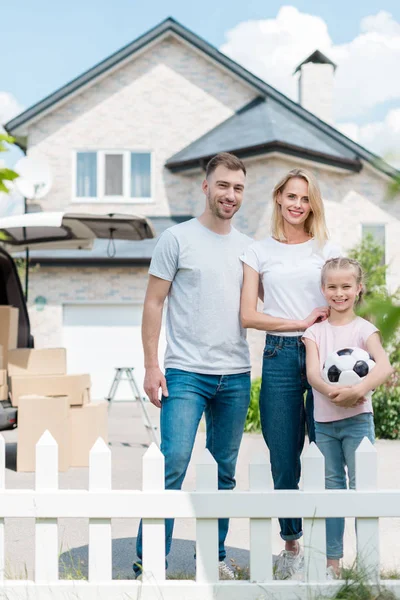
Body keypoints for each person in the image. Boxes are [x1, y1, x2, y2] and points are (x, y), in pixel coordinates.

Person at [133, 152, 252, 580]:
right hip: (185, 371)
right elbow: (153, 302)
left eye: (238, 188)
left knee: (224, 471)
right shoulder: (176, 239)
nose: (230, 195)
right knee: (175, 461)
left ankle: (214, 557)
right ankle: (150, 558)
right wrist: (151, 365)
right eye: (223, 185)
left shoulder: (248, 247)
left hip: (236, 374)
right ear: (206, 187)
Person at [240, 168, 341, 579]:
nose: (298, 204)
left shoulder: (326, 248)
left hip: (323, 353)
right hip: (280, 356)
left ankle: (329, 555)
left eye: (305, 198)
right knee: (284, 456)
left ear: (311, 204)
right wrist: (299, 321)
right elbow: (249, 314)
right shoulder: (257, 251)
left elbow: (343, 295)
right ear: (278, 197)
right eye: (291, 196)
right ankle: (292, 545)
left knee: (327, 455)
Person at [302, 257, 393, 579]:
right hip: (324, 423)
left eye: (345, 286)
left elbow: (384, 365)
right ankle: (333, 564)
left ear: (358, 289)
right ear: (323, 289)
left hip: (358, 420)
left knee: (362, 488)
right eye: (332, 287)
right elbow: (313, 373)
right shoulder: (314, 332)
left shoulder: (364, 329)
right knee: (332, 492)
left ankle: (368, 563)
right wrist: (330, 391)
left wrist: (360, 390)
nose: (339, 293)